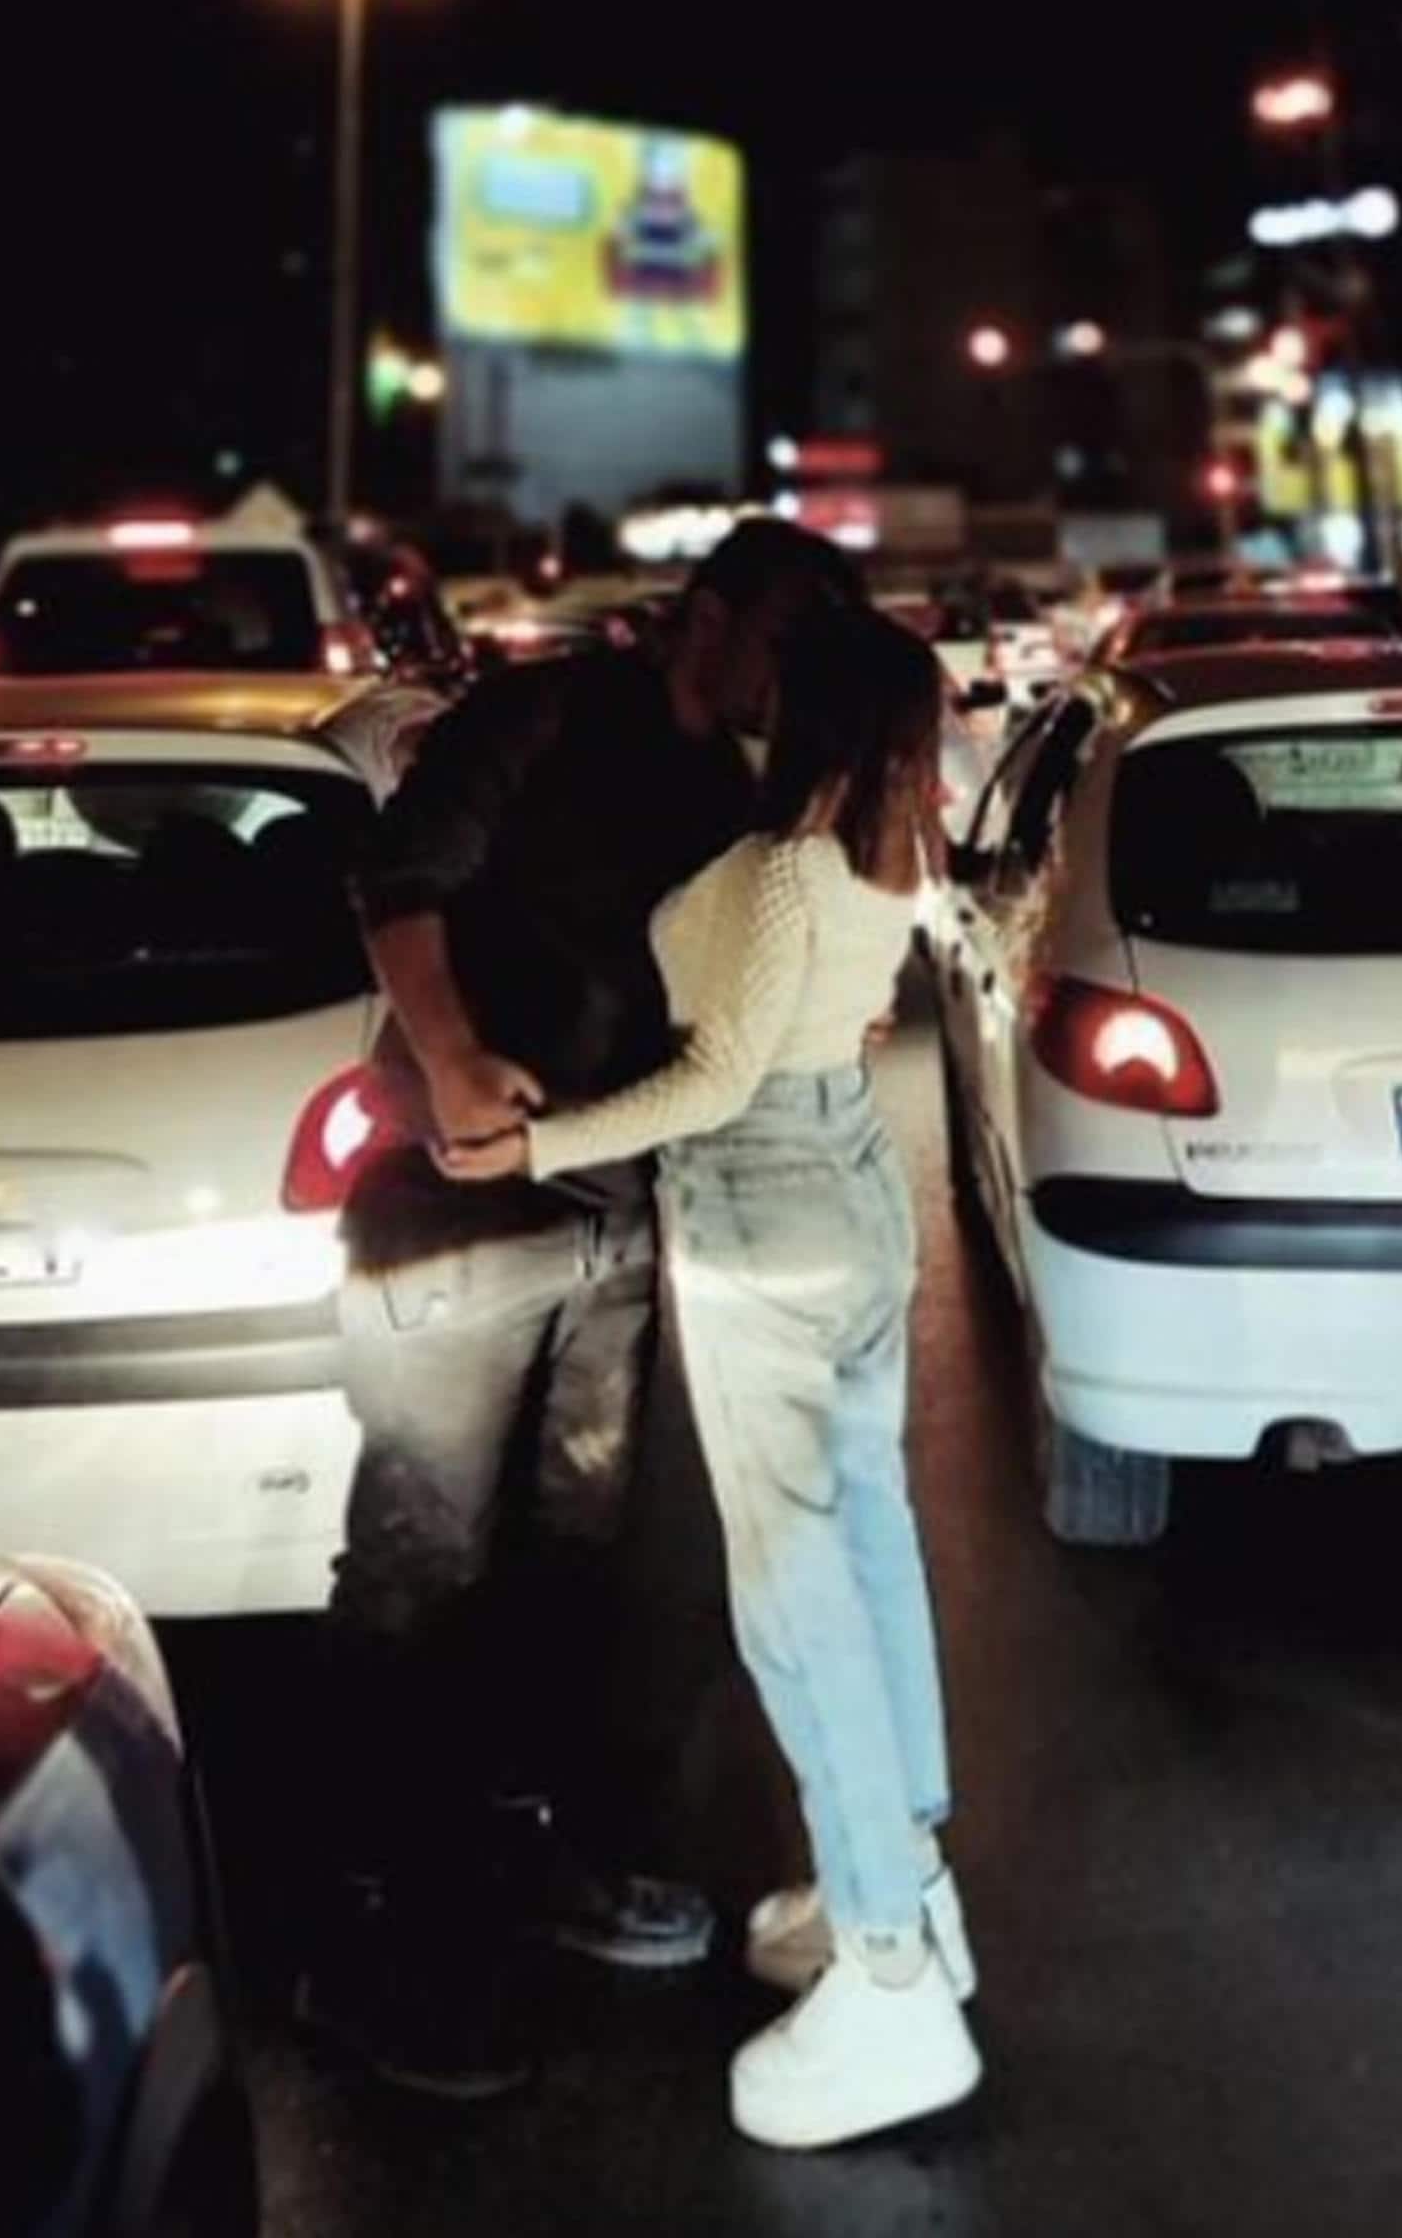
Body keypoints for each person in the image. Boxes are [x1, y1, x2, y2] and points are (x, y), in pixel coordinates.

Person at [308, 518, 866, 2097]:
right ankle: (361, 1939)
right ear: (701, 615)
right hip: (459, 1210)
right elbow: (397, 876)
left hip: (620, 1213)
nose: (776, 672)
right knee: (422, 1560)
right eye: (770, 636)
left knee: (573, 1549)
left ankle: (528, 1867)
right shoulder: (538, 714)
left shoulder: (740, 790)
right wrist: (455, 1050)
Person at [444, 605, 980, 2150]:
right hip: (858, 1195)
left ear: (797, 709)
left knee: (793, 1595)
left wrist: (532, 1141)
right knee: (866, 1554)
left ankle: (886, 1973)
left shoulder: (774, 873)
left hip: (765, 1207)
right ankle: (902, 1888)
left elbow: (714, 1078)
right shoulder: (892, 858)